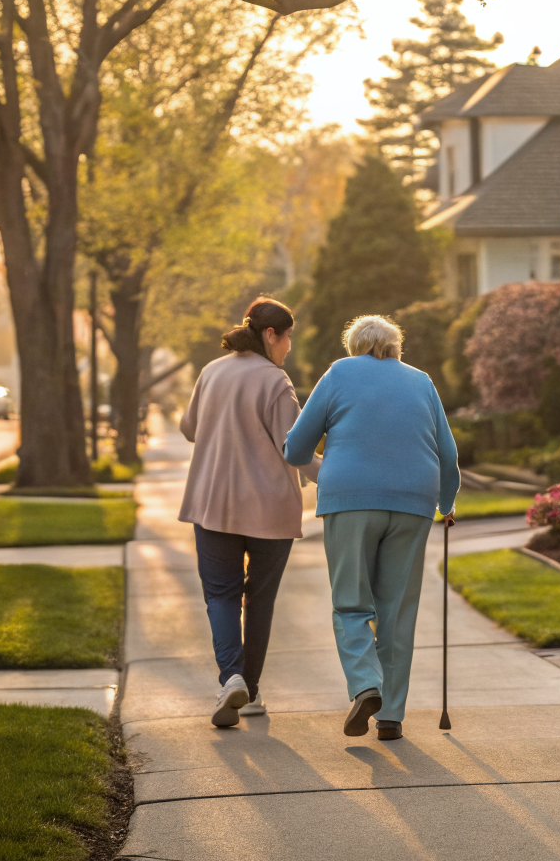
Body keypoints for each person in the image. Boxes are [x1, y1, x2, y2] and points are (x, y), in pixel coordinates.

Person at [284, 315, 459, 741]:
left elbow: (295, 447)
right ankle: (391, 717)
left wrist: (325, 468)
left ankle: (366, 685)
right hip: (414, 502)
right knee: (396, 611)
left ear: (354, 347)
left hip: (350, 500)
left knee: (351, 604)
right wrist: (446, 504)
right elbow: (449, 454)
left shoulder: (340, 372)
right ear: (396, 347)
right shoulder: (421, 381)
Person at [178, 297, 319, 727]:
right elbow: (293, 449)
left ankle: (231, 678)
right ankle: (251, 692)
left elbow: (189, 429)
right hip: (269, 509)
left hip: (214, 504)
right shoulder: (276, 382)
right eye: (288, 336)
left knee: (220, 595)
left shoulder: (212, 371)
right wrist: (333, 475)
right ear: (270, 335)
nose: (290, 346)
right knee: (259, 599)